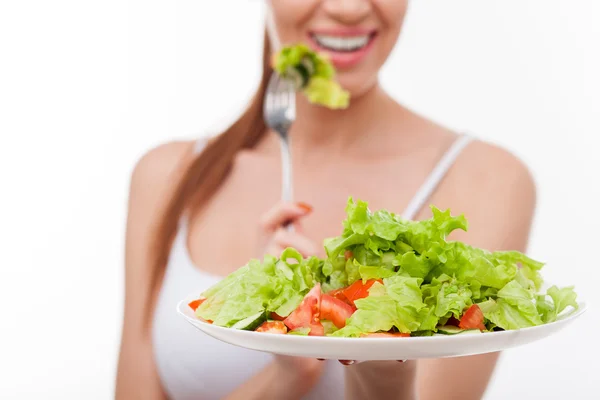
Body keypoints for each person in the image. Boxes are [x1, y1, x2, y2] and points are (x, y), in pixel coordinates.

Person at [115, 1, 537, 399]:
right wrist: (285, 375)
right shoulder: (168, 176)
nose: (348, 8)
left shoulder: (487, 179)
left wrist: (382, 356)